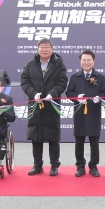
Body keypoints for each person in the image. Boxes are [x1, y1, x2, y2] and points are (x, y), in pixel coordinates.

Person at [20, 38, 68, 176]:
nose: (44, 49)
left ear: (52, 49)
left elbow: (62, 82)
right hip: (35, 105)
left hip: (51, 104)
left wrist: (52, 93)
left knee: (53, 136)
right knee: (36, 136)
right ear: (38, 49)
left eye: (47, 47)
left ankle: (54, 165)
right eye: (42, 46)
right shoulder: (30, 64)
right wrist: (33, 94)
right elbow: (24, 81)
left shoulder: (59, 64)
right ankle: (37, 165)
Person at [65, 49, 105, 177]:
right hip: (79, 113)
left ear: (93, 61)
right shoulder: (75, 77)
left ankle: (93, 166)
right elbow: (69, 93)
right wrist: (76, 98)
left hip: (94, 114)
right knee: (79, 141)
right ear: (80, 62)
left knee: (94, 142)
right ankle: (80, 166)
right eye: (83, 60)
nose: (86, 62)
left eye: (89, 60)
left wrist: (99, 98)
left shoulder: (100, 77)